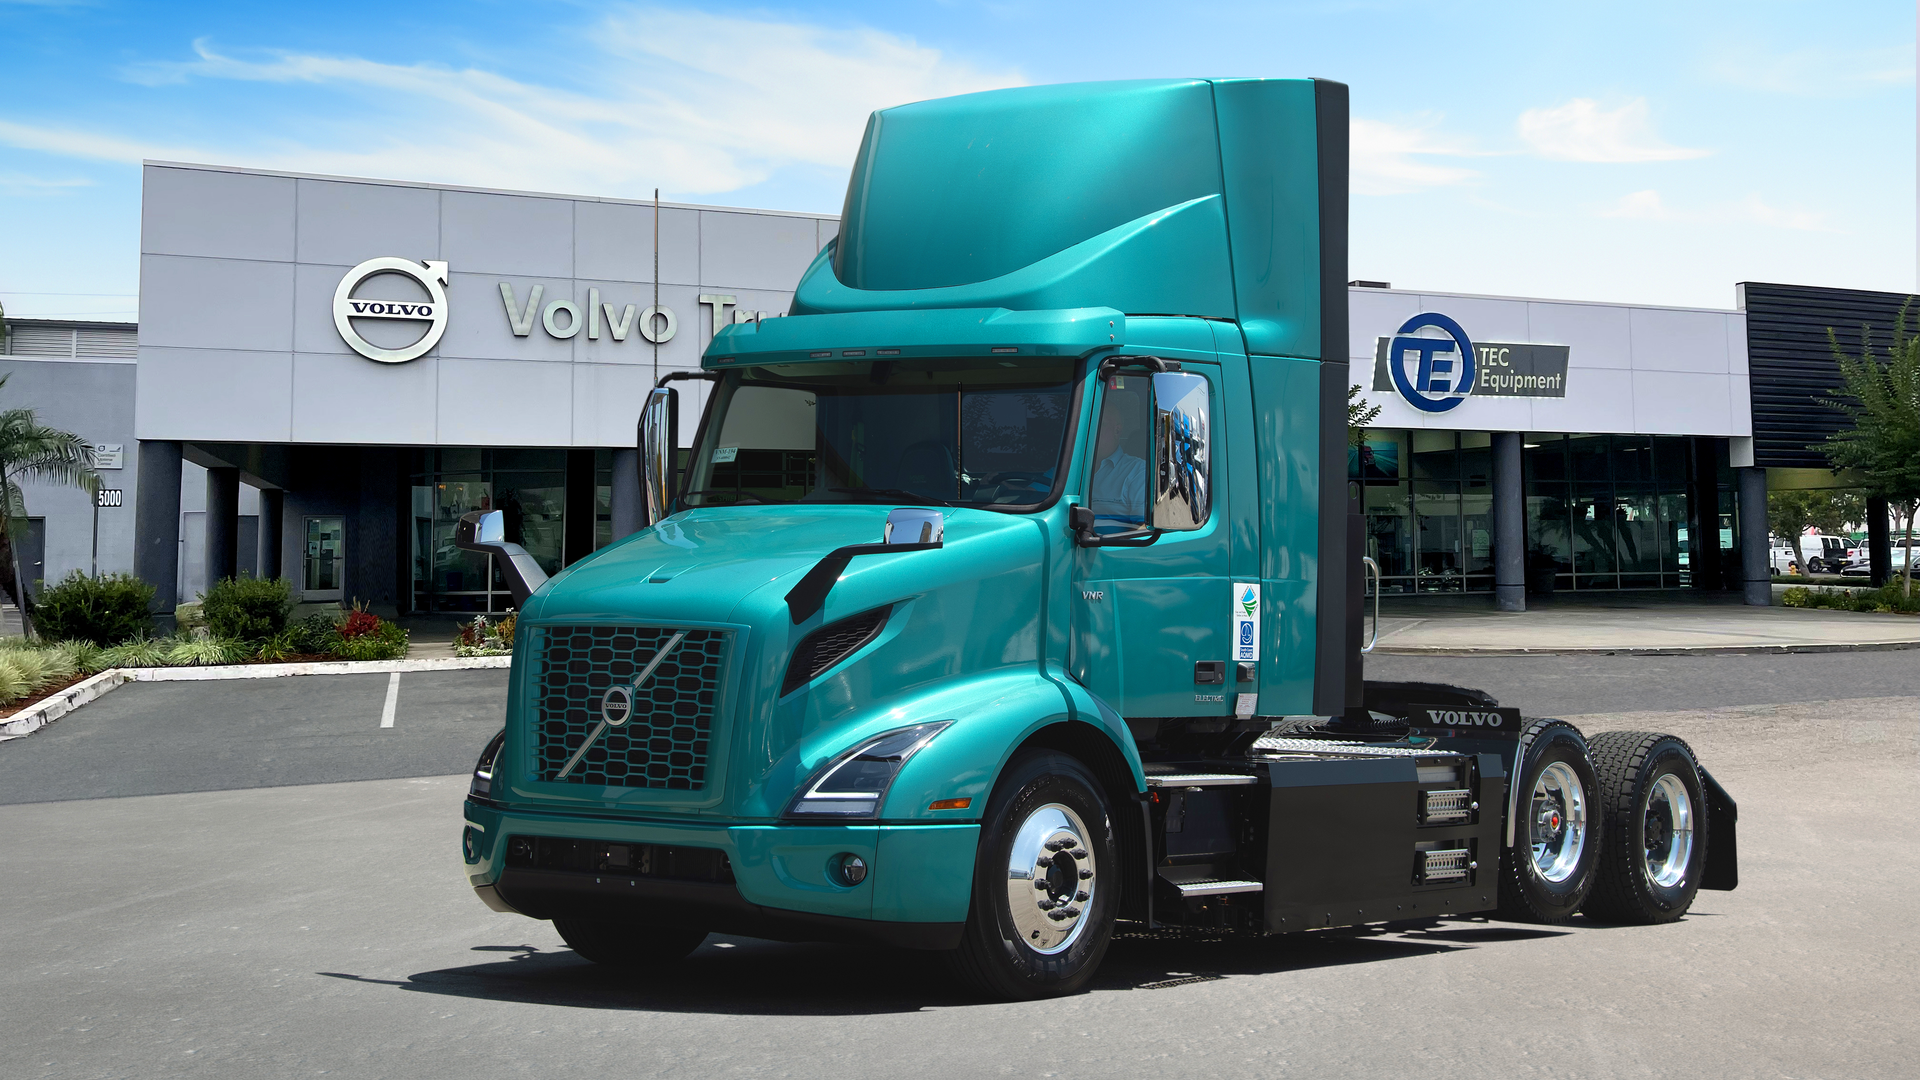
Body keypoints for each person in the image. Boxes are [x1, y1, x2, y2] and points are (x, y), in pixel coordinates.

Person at [1089, 399, 1147, 531]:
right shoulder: (1069, 469)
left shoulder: (1137, 471)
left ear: (1117, 430)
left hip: (1108, 548)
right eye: (1087, 425)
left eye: (1098, 424)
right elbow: (1035, 498)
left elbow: (1144, 529)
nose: (1090, 431)